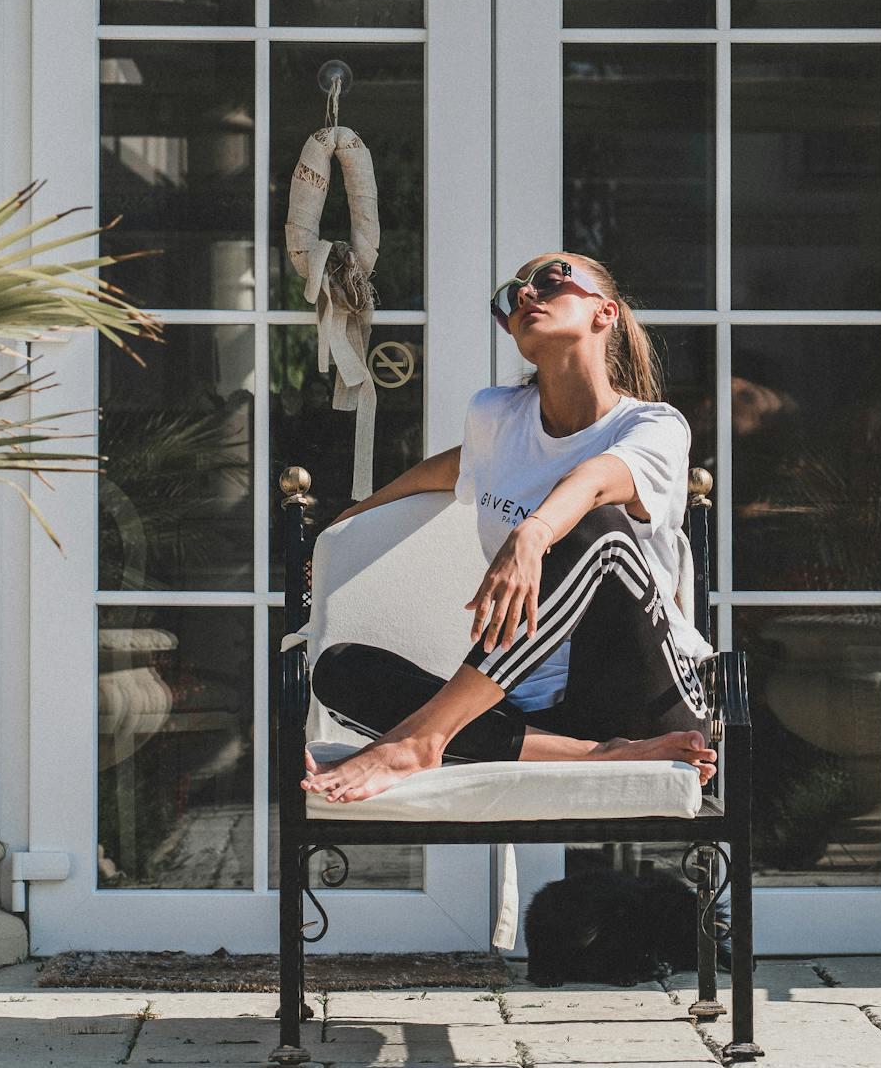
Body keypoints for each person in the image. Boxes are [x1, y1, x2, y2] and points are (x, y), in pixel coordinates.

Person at [300, 252, 719, 804]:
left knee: (600, 530)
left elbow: (596, 480)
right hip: (532, 711)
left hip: (645, 695)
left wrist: (533, 534)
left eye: (549, 281)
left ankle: (423, 740)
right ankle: (597, 754)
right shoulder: (497, 418)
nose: (525, 296)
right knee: (341, 669)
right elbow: (452, 467)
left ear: (606, 312)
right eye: (510, 295)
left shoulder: (653, 426)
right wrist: (348, 519)